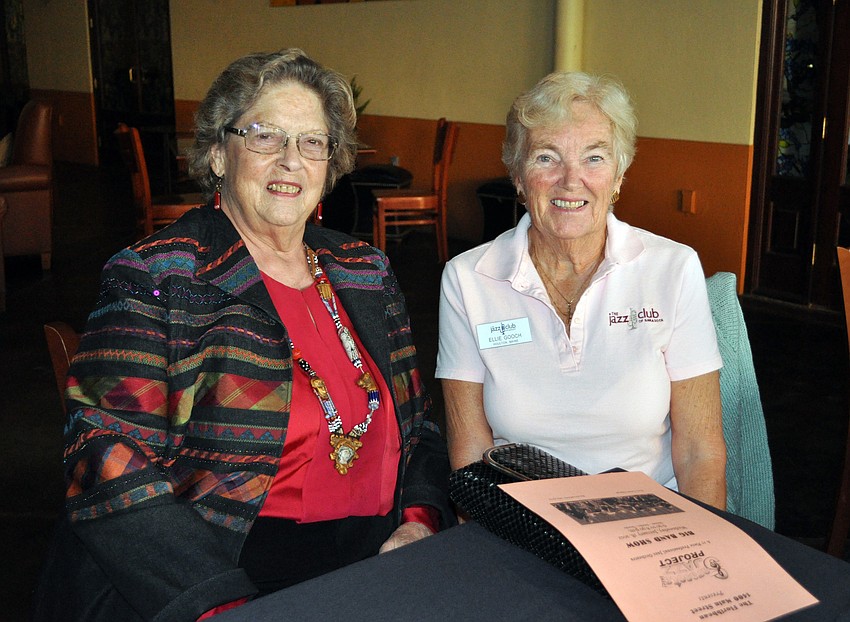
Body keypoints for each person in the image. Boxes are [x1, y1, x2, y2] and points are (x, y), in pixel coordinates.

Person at [35, 49, 452, 622]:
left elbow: (419, 427)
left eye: (312, 142)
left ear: (329, 166)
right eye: (263, 136)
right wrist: (220, 603)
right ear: (216, 153)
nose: (290, 160)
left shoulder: (365, 271)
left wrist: (418, 521)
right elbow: (106, 458)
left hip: (379, 560)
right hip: (226, 569)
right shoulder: (160, 275)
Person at [436, 71, 726, 509]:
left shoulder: (673, 269)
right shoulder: (468, 279)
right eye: (547, 158)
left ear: (619, 175)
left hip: (649, 522)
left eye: (594, 158)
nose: (571, 181)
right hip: (526, 524)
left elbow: (699, 453)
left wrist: (704, 548)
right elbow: (470, 457)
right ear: (517, 175)